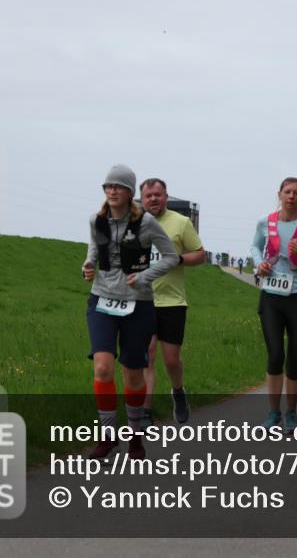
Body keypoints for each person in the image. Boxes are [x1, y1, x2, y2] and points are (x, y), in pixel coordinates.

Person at [82, 164, 179, 460]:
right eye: (107, 186)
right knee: (102, 367)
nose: (112, 191)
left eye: (118, 187)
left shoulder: (146, 223)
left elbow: (171, 257)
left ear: (128, 192)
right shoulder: (95, 220)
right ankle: (108, 436)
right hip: (102, 300)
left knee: (133, 372)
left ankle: (135, 436)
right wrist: (88, 266)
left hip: (138, 304)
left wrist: (146, 276)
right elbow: (94, 252)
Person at [249, 177, 297, 433]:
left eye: (296, 193)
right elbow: (255, 247)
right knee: (275, 356)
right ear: (279, 194)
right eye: (287, 192)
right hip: (271, 295)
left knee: (293, 358)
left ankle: (291, 413)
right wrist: (259, 263)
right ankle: (273, 413)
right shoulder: (266, 221)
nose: (291, 196)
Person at [139, 178, 205, 426]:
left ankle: (178, 391)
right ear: (142, 199)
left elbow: (199, 255)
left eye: (158, 195)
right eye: (149, 196)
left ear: (166, 197)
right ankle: (145, 411)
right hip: (143, 299)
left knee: (171, 360)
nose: (153, 199)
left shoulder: (181, 223)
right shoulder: (134, 223)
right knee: (148, 354)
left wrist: (177, 259)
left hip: (172, 301)